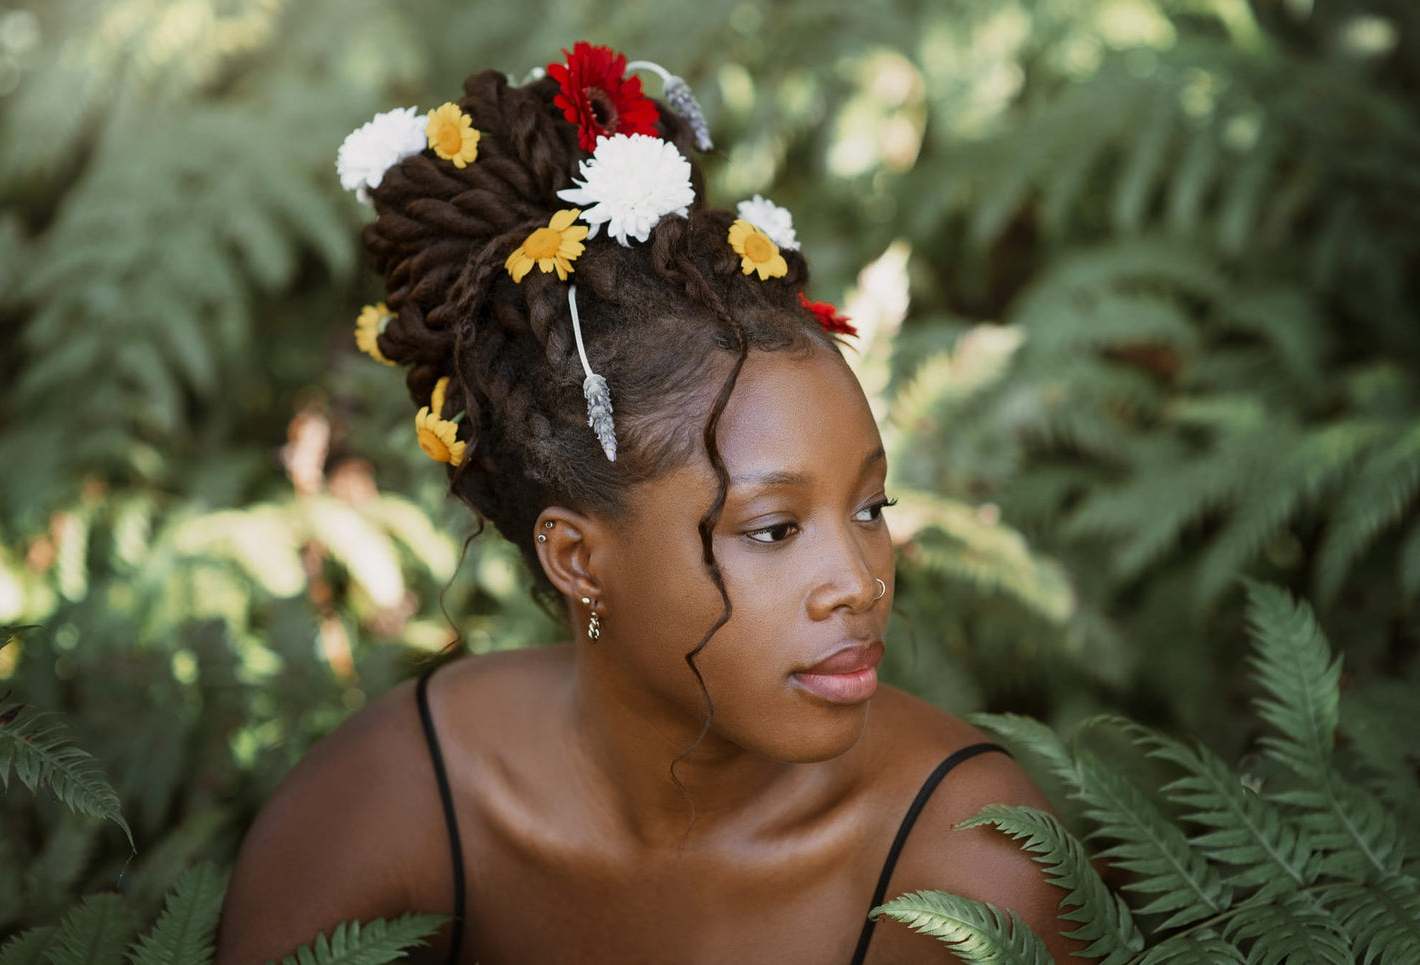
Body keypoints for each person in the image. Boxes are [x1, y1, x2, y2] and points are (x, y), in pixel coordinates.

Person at [216, 42, 1083, 964]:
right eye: (773, 528)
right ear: (577, 559)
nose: (860, 583)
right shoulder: (396, 801)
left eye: (870, 508)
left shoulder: (971, 873)